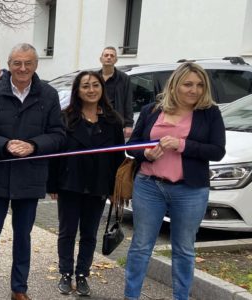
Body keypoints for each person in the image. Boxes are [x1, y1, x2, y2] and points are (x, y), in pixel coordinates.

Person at [124, 63, 226, 300]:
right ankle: (131, 296)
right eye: (188, 84)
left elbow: (217, 151)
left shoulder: (209, 113)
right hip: (149, 185)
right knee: (140, 246)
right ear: (175, 85)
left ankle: (181, 297)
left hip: (189, 190)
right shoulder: (152, 110)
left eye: (200, 85)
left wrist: (182, 145)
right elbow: (132, 145)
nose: (195, 90)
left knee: (183, 249)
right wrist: (145, 153)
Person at [0, 43, 65, 300]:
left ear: (36, 65)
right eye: (17, 63)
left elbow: (58, 135)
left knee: (23, 236)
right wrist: (4, 144)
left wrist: (33, 145)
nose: (22, 68)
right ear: (8, 65)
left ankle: (19, 289)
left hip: (30, 174)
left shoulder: (48, 94)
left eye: (28, 63)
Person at [47, 71, 125, 297]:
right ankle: (65, 274)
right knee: (67, 232)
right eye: (85, 86)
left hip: (98, 185)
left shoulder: (113, 121)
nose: (91, 90)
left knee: (89, 233)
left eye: (95, 85)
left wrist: (114, 189)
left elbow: (117, 159)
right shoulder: (65, 118)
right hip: (70, 183)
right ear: (77, 91)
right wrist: (52, 184)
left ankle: (82, 275)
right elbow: (55, 154)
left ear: (102, 88)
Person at [99, 46, 134, 138]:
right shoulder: (95, 78)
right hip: (96, 123)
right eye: (106, 55)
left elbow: (128, 102)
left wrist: (129, 125)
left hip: (116, 123)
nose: (109, 57)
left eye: (112, 56)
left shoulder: (124, 79)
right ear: (101, 59)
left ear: (116, 60)